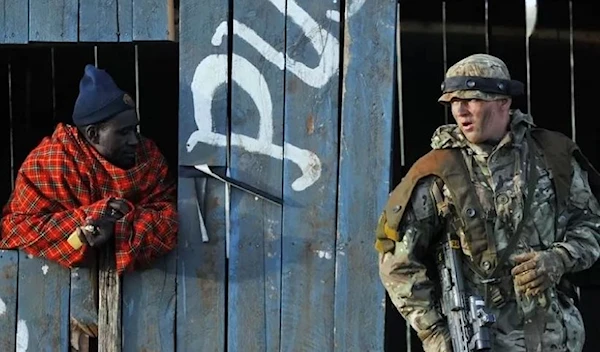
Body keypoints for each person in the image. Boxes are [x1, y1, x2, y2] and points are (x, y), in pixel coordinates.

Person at [376, 53, 600, 352]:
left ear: (503, 102)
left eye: (473, 100)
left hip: (556, 339)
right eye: (454, 102)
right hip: (480, 341)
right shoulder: (436, 172)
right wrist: (434, 334)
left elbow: (590, 226)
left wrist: (559, 258)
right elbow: (397, 264)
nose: (461, 111)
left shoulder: (553, 155)